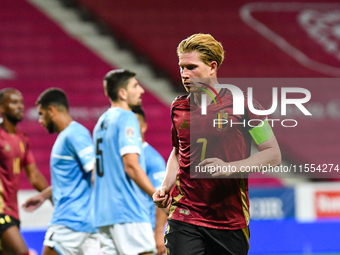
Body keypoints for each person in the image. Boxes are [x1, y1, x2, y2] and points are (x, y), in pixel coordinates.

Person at [153, 33, 282, 255]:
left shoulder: (244, 104)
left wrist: (229, 167)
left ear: (212, 67)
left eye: (191, 67)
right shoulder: (178, 108)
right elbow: (178, 152)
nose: (184, 74)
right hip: (185, 213)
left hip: (229, 219)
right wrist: (166, 185)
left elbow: (273, 154)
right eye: (181, 67)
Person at [22, 88, 97, 255]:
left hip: (69, 222)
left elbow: (95, 173)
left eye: (41, 114)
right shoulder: (68, 135)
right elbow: (74, 179)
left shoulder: (75, 134)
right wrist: (44, 195)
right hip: (86, 223)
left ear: (51, 110)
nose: (40, 120)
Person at [93, 69, 156, 255]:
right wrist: (157, 197)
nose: (142, 90)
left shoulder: (100, 122)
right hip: (128, 212)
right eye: (135, 86)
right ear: (122, 93)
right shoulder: (127, 118)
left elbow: (95, 175)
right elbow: (131, 166)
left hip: (103, 215)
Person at [0, 88, 49, 255]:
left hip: (13, 212)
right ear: (2, 108)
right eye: (14, 102)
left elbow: (34, 175)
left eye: (20, 102)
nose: (20, 106)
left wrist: (53, 198)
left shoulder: (22, 138)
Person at [132, 106, 167, 255]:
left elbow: (162, 196)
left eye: (134, 124)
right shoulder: (125, 156)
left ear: (143, 127)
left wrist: (158, 233)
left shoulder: (153, 159)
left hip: (146, 230)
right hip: (127, 228)